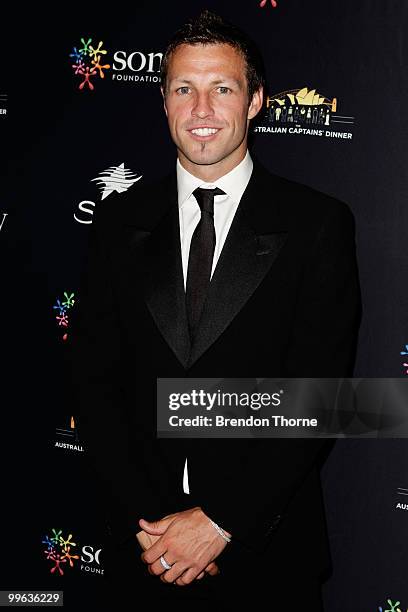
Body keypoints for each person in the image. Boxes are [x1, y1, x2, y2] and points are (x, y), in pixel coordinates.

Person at [69, 9, 361, 607]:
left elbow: (318, 395)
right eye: (184, 89)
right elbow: (94, 384)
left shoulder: (316, 225)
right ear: (164, 101)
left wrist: (219, 522)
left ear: (255, 101)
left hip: (266, 554)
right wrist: (157, 529)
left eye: (221, 88)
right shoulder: (117, 222)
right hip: (141, 550)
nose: (201, 111)